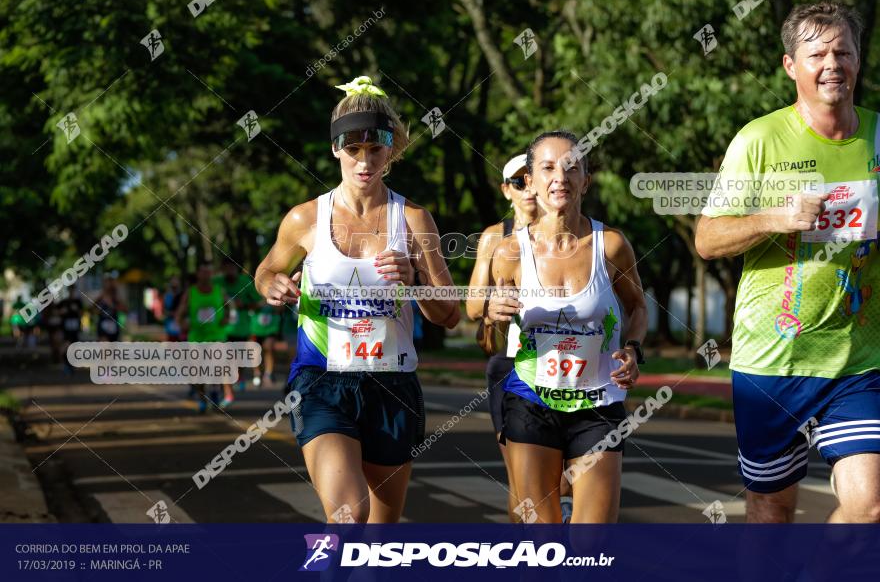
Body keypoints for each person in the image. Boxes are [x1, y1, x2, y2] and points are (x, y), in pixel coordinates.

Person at [695, 1, 880, 523]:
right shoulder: (759, 140)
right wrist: (772, 218)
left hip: (857, 358)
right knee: (772, 510)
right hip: (771, 361)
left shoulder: (879, 135)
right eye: (817, 53)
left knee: (869, 506)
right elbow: (707, 240)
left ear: (859, 60)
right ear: (790, 66)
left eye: (843, 51)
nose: (832, 64)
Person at [255, 75, 459, 523]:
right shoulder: (305, 218)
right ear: (335, 149)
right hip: (322, 381)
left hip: (393, 386)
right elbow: (267, 270)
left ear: (391, 150)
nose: (364, 162)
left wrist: (415, 282)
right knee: (349, 515)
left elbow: (449, 314)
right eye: (353, 149)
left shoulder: (414, 220)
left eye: (376, 148)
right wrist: (271, 284)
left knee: (378, 540)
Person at [486, 130, 647, 523]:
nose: (561, 176)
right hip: (530, 400)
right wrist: (494, 312)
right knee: (541, 540)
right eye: (548, 167)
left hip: (598, 403)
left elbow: (637, 306)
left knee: (593, 541)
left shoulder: (610, 245)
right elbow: (491, 329)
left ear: (585, 181)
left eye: (572, 167)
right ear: (530, 182)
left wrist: (633, 348)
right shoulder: (508, 252)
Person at [467, 153, 548, 521]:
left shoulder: (571, 234)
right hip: (513, 365)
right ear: (506, 191)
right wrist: (492, 306)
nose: (527, 189)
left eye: (531, 179)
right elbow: (470, 307)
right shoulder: (494, 238)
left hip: (566, 365)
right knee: (523, 479)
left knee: (562, 480)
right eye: (518, 182)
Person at [176, 261, 233, 413]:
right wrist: (182, 323)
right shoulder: (191, 292)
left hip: (217, 334)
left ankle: (223, 393)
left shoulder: (219, 291)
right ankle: (202, 398)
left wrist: (228, 317)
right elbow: (179, 314)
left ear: (212, 275)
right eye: (203, 271)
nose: (206, 275)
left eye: (209, 272)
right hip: (196, 336)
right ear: (198, 274)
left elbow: (230, 306)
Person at [216, 260, 259, 390]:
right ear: (223, 270)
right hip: (224, 327)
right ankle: (226, 383)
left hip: (242, 326)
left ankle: (239, 376)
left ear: (236, 269)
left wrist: (244, 305)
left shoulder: (245, 282)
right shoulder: (217, 282)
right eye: (227, 269)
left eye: (232, 269)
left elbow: (258, 303)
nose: (230, 272)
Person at [250, 300, 282, 388]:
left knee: (269, 349)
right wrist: (258, 304)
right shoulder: (254, 293)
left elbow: (280, 309)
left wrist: (271, 304)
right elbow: (249, 308)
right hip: (255, 329)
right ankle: (257, 373)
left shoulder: (275, 293)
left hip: (271, 328)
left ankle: (268, 373)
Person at [58, 287, 83, 376]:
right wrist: (62, 312)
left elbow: (82, 313)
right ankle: (65, 364)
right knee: (66, 345)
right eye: (70, 291)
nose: (71, 293)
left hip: (75, 328)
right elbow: (57, 312)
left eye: (73, 291)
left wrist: (77, 310)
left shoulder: (78, 301)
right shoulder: (63, 302)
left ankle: (70, 364)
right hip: (65, 328)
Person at [95, 274, 126, 342]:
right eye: (106, 283)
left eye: (109, 283)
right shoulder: (100, 297)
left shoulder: (116, 298)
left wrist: (113, 306)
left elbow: (125, 310)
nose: (108, 286)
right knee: (105, 346)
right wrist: (97, 310)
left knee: (111, 349)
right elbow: (92, 309)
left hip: (113, 326)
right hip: (102, 326)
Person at [162, 276, 183, 341]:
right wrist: (171, 313)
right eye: (173, 283)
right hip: (170, 323)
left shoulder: (183, 296)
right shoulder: (167, 296)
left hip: (180, 323)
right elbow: (164, 310)